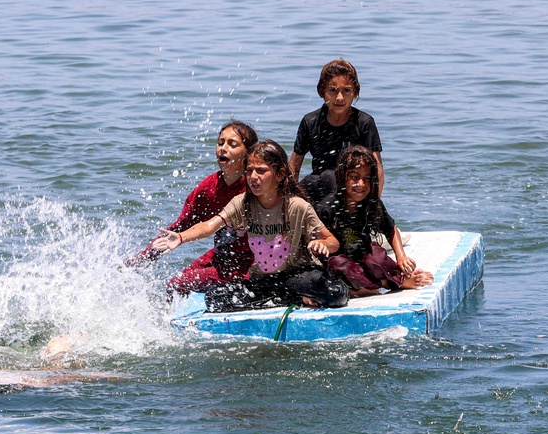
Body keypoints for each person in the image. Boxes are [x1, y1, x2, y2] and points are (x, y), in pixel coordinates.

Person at [151, 140, 349, 311]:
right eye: (249, 171)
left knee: (335, 294)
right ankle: (291, 299)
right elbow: (209, 226)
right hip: (262, 279)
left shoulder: (297, 206)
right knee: (215, 299)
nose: (253, 177)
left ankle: (287, 296)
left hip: (297, 275)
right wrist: (181, 237)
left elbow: (332, 241)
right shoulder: (243, 202)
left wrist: (323, 245)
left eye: (261, 171)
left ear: (279, 174)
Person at [129, 121, 258, 294]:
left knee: (179, 284)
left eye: (232, 144)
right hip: (221, 257)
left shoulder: (255, 186)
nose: (223, 148)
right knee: (175, 286)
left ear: (249, 153)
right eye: (220, 143)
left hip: (251, 264)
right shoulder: (208, 188)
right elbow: (179, 227)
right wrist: (143, 259)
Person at [317, 145, 433, 295]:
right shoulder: (327, 208)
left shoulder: (372, 203)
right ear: (342, 176)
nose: (361, 184)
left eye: (367, 179)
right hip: (340, 263)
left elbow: (390, 228)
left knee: (376, 256)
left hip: (364, 260)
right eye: (354, 177)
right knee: (339, 265)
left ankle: (366, 288)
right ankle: (386, 283)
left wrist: (401, 256)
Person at [289, 59, 384, 196]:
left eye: (346, 91)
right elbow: (294, 165)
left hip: (353, 190)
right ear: (322, 91)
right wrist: (291, 199)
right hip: (319, 188)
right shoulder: (310, 122)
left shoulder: (364, 123)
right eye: (332, 90)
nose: (339, 98)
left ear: (355, 93)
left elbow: (377, 167)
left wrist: (374, 201)